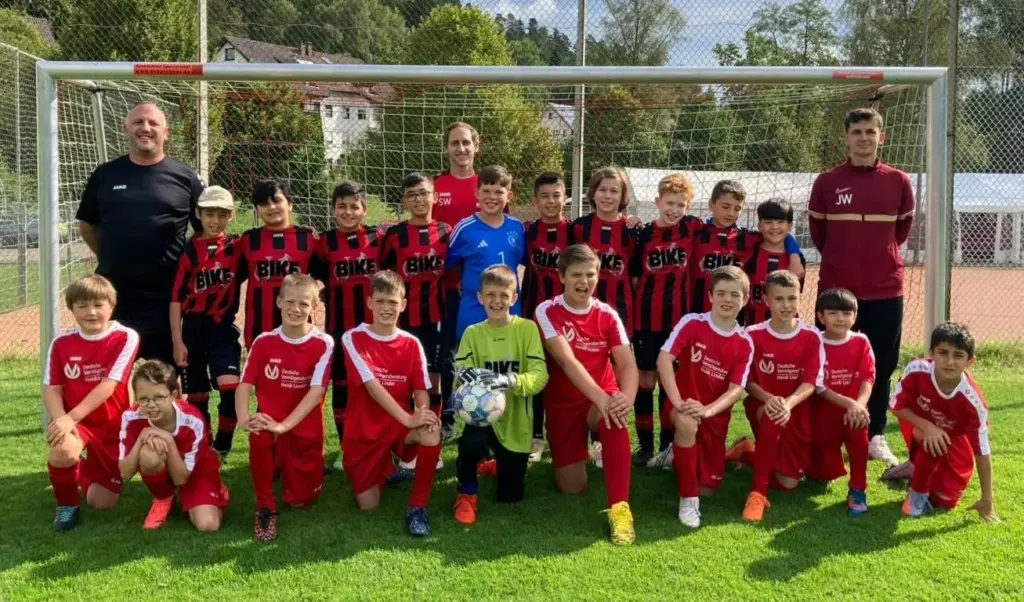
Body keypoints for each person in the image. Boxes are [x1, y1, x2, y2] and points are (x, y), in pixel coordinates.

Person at [808, 107, 916, 468]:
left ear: (881, 137)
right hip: (838, 291)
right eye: (857, 132)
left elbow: (900, 232)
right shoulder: (826, 181)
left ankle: (875, 435)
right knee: (827, 364)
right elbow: (820, 237)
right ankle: (828, 433)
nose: (864, 138)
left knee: (881, 365)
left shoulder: (899, 181)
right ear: (847, 137)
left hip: (886, 289)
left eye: (871, 131)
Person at [75, 102, 204, 365]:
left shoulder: (186, 178)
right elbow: (88, 226)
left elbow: (203, 232)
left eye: (153, 123)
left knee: (166, 378)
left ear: (166, 132)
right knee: (111, 375)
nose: (145, 128)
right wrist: (114, 256)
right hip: (114, 294)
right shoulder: (105, 175)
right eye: (138, 122)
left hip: (167, 297)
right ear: (126, 129)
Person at [534, 244, 638, 545]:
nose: (584, 281)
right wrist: (605, 398)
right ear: (562, 277)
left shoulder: (607, 314)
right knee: (572, 488)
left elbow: (627, 363)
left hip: (599, 399)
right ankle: (585, 451)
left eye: (590, 274)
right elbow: (567, 362)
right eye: (576, 274)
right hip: (563, 405)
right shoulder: (547, 310)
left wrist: (624, 398)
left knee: (614, 416)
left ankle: (620, 510)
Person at [341, 270, 443, 537]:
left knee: (431, 431)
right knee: (369, 505)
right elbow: (373, 387)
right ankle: (387, 468)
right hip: (363, 431)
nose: (387, 308)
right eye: (381, 301)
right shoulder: (353, 338)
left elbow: (421, 389)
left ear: (403, 305)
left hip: (398, 425)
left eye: (393, 302)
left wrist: (422, 414)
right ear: (370, 303)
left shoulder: (411, 343)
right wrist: (409, 418)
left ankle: (417, 506)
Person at [236, 274, 334, 542]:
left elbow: (316, 394)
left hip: (304, 429)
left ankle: (282, 463)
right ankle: (265, 506)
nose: (296, 309)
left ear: (314, 308)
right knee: (259, 432)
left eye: (304, 304)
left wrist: (285, 426)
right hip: (271, 424)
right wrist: (244, 419)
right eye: (290, 301)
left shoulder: (323, 343)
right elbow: (244, 385)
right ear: (279, 302)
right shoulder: (263, 341)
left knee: (301, 501)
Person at [657, 266, 754, 528]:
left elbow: (736, 389)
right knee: (687, 424)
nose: (727, 299)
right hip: (683, 407)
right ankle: (688, 502)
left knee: (708, 489)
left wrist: (708, 410)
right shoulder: (692, 322)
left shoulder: (745, 342)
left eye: (735, 295)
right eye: (721, 293)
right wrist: (678, 403)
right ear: (710, 296)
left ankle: (676, 456)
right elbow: (664, 359)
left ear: (745, 299)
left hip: (713, 415)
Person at [452, 265, 549, 525]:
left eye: (504, 295)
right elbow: (459, 374)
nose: (497, 301)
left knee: (510, 496)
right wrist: (471, 378)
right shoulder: (473, 333)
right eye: (490, 295)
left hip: (516, 421)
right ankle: (467, 492)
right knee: (470, 444)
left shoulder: (527, 329)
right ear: (480, 297)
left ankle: (498, 465)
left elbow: (540, 376)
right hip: (482, 417)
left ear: (514, 298)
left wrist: (508, 380)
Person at [43, 274, 140, 531]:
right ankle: (66, 505)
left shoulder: (126, 337)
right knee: (63, 450)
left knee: (102, 502)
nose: (91, 312)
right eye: (82, 305)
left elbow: (109, 385)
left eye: (98, 305)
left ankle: (78, 471)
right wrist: (62, 420)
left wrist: (69, 417)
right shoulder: (61, 343)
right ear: (72, 308)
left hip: (112, 425)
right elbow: (51, 388)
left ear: (111, 306)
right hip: (78, 421)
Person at [735, 270, 824, 522]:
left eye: (792, 298)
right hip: (763, 405)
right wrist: (771, 400)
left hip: (797, 407)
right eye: (779, 299)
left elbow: (810, 382)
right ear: (766, 300)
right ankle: (757, 493)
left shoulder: (811, 336)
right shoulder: (751, 335)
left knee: (788, 484)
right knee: (773, 415)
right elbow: (747, 382)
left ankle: (746, 452)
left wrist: (789, 403)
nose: (786, 305)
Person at [889, 322, 998, 522]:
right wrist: (927, 426)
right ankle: (917, 491)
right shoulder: (917, 370)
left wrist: (987, 499)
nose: (949, 361)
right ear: (931, 352)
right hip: (916, 422)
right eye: (943, 352)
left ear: (970, 361)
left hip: (950, 437)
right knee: (932, 437)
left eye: (958, 355)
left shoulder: (974, 402)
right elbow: (895, 405)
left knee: (946, 499)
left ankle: (916, 468)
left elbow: (982, 451)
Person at [378, 173, 449, 480]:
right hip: (402, 322)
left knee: (432, 382)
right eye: (412, 195)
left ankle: (433, 448)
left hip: (435, 319)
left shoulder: (447, 232)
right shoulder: (394, 235)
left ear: (434, 197)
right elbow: (384, 276)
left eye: (424, 193)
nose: (419, 199)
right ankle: (406, 447)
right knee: (403, 383)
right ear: (404, 202)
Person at [314, 182, 383, 472]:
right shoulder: (324, 244)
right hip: (339, 329)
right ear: (333, 210)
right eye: (341, 206)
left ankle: (380, 445)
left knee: (377, 387)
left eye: (354, 206)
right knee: (342, 388)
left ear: (364, 210)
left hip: (375, 330)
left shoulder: (379, 239)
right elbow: (317, 279)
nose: (348, 211)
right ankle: (345, 447)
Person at [169, 185, 243, 460]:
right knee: (197, 395)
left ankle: (223, 443)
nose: (215, 220)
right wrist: (178, 341)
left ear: (231, 216)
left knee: (231, 388)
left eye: (222, 214)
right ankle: (206, 448)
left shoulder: (237, 248)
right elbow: (175, 299)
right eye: (210, 213)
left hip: (222, 329)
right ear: (198, 214)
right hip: (192, 330)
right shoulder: (188, 253)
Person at [632, 173, 700, 467]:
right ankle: (645, 446)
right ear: (657, 201)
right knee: (646, 381)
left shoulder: (692, 228)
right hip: (647, 320)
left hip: (678, 323)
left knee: (669, 382)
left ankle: (667, 445)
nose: (674, 209)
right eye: (670, 203)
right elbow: (634, 279)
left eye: (681, 204)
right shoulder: (642, 235)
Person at [118, 360, 229, 531]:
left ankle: (214, 489)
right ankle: (162, 498)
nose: (151, 405)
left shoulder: (192, 420)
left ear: (173, 395)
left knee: (208, 525)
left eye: (159, 397)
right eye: (144, 399)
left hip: (194, 471)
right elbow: (124, 473)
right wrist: (141, 438)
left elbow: (181, 478)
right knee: (149, 454)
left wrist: (168, 439)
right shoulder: (131, 417)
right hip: (165, 466)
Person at [689, 180, 803, 318]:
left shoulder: (748, 238)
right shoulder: (696, 232)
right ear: (711, 205)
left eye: (737, 208)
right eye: (726, 206)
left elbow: (780, 234)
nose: (731, 213)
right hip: (698, 311)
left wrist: (795, 255)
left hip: (734, 314)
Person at [434, 122, 482, 443]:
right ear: (447, 147)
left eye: (466, 142)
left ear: (476, 147)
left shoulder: (487, 184)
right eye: (455, 143)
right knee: (447, 356)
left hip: (480, 289)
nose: (461, 148)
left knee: (479, 353)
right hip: (446, 287)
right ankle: (448, 416)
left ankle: (480, 414)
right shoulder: (436, 186)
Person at [807, 288, 874, 516]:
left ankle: (858, 489)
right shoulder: (815, 342)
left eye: (846, 313)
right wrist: (852, 405)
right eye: (833, 313)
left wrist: (860, 405)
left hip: (853, 413)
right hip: (824, 415)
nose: (840, 319)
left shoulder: (861, 342)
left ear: (854, 317)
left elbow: (868, 377)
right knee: (821, 476)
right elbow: (819, 387)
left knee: (859, 435)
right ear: (820, 317)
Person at [521, 172, 571, 461]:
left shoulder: (577, 232)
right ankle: (536, 437)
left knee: (569, 374)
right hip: (534, 316)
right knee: (538, 375)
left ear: (564, 197)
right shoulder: (527, 232)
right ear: (535, 200)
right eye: (545, 196)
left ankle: (579, 436)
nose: (551, 201)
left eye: (556, 195)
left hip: (569, 318)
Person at [448, 165, 528, 342]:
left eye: (498, 192)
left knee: (509, 365)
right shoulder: (464, 228)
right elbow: (446, 264)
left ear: (509, 196)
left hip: (510, 311)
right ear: (477, 193)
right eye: (486, 191)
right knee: (472, 366)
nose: (492, 197)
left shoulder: (517, 227)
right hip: (474, 312)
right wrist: (460, 281)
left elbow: (525, 262)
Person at [236, 179, 318, 349]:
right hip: (258, 331)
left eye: (277, 200)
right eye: (264, 203)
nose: (271, 207)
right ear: (257, 211)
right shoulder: (248, 240)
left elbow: (329, 274)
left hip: (299, 330)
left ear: (290, 204)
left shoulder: (308, 239)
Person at [743, 198, 806, 326]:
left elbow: (795, 296)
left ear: (789, 226)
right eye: (768, 222)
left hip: (786, 328)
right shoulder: (750, 252)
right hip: (753, 327)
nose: (774, 227)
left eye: (780, 222)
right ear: (759, 225)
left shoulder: (796, 261)